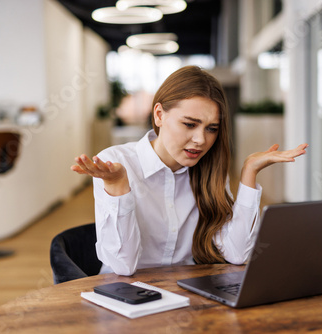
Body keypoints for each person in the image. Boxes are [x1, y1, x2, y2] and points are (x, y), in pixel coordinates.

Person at [71, 66, 308, 276]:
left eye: (211, 128)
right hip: (125, 299)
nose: (200, 140)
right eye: (190, 124)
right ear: (159, 115)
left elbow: (237, 254)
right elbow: (123, 267)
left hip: (187, 297)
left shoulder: (209, 171)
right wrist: (117, 188)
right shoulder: (116, 164)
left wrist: (248, 173)